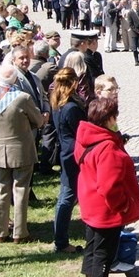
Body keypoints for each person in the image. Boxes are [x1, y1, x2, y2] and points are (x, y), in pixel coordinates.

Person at [75, 97, 139, 277]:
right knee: (104, 253)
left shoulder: (86, 136)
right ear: (109, 119)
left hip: (90, 203)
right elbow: (109, 186)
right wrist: (122, 205)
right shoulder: (107, 148)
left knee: (92, 249)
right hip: (106, 209)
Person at [0, 64, 45, 243]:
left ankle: (1, 231)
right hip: (21, 149)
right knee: (21, 189)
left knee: (1, 189)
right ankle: (20, 232)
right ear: (16, 79)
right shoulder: (22, 98)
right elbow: (39, 121)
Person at [50, 67, 88, 254]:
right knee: (67, 197)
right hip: (73, 154)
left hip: (67, 151)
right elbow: (80, 131)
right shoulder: (71, 107)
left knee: (68, 196)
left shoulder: (58, 102)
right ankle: (60, 241)